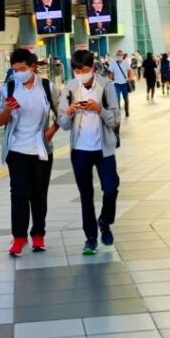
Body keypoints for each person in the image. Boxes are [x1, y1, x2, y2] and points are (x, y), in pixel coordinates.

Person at [0, 48, 60, 257]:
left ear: (32, 67)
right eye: (14, 70)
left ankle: (38, 234)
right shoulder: (9, 88)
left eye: (22, 69)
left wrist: (52, 130)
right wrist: (7, 110)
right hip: (17, 149)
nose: (18, 73)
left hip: (41, 149)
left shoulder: (48, 87)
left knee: (39, 194)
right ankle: (19, 237)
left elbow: (62, 113)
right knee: (19, 194)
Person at [58, 49, 121, 255]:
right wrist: (69, 112)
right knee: (86, 195)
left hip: (104, 149)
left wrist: (98, 109)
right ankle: (91, 238)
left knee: (111, 188)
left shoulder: (106, 86)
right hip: (80, 150)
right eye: (76, 70)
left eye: (84, 70)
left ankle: (105, 220)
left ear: (92, 68)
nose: (80, 74)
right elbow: (63, 124)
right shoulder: (69, 88)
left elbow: (115, 119)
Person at [109, 50, 132, 118]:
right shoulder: (113, 63)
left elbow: (130, 71)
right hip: (116, 84)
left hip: (124, 84)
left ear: (123, 56)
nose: (119, 56)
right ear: (116, 56)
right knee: (117, 99)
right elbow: (111, 73)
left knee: (126, 98)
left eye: (120, 55)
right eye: (118, 55)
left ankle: (126, 110)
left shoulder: (126, 63)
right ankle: (118, 112)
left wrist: (130, 78)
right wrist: (110, 82)